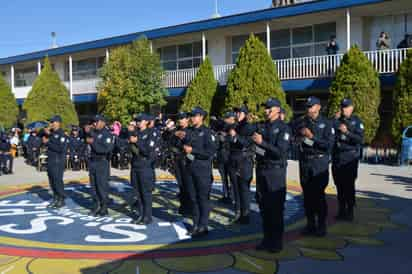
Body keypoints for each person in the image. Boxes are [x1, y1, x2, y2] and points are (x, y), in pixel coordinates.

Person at [253, 98, 290, 253]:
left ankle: (277, 241)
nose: (266, 111)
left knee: (275, 209)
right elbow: (261, 150)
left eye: (269, 108)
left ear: (277, 109)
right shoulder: (262, 127)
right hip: (262, 170)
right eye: (265, 108)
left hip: (275, 172)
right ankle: (267, 239)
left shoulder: (283, 128)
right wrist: (257, 148)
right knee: (264, 208)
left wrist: (262, 143)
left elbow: (280, 152)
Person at [293, 96, 334, 237]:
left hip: (319, 163)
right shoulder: (302, 122)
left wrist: (312, 137)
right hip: (305, 162)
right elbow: (295, 139)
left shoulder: (326, 124)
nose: (308, 109)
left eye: (311, 106)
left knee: (319, 196)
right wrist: (301, 139)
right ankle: (310, 224)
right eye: (307, 106)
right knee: (308, 196)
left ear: (318, 107)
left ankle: (322, 225)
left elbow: (328, 145)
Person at [184, 107, 217, 237]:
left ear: (202, 117)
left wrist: (193, 151)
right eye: (191, 115)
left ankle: (203, 226)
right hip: (190, 169)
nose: (192, 118)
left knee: (203, 199)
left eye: (195, 115)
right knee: (193, 198)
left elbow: (210, 152)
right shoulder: (189, 131)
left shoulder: (208, 132)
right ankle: (196, 224)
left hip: (202, 170)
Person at [332, 99, 364, 221]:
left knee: (349, 185)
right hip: (338, 157)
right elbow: (329, 131)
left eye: (346, 107)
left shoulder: (356, 122)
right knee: (339, 185)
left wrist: (347, 132)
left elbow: (360, 140)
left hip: (350, 157)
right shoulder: (337, 120)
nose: (343, 109)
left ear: (352, 107)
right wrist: (335, 119)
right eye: (342, 107)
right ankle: (341, 210)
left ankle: (350, 211)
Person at [228, 106, 256, 224]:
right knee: (235, 188)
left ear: (245, 114)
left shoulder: (248, 127)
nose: (237, 114)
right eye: (236, 112)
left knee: (244, 189)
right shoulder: (235, 126)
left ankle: (246, 215)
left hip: (244, 160)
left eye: (240, 112)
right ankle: (238, 212)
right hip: (234, 159)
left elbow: (247, 143)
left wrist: (236, 136)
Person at [129, 114, 156, 224]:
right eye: (137, 121)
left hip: (145, 166)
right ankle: (141, 214)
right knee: (138, 192)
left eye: (140, 120)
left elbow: (148, 151)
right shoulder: (136, 133)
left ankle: (147, 216)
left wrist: (137, 142)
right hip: (135, 165)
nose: (138, 122)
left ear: (146, 121)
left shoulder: (151, 133)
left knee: (146, 193)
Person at [87, 115, 114, 217]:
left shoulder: (107, 135)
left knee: (101, 186)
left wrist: (93, 142)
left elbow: (105, 150)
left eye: (96, 122)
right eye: (93, 122)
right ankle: (96, 206)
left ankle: (104, 207)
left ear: (103, 122)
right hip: (93, 162)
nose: (94, 124)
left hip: (102, 162)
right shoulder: (94, 133)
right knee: (93, 187)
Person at [43, 115, 68, 209]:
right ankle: (55, 198)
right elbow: (42, 135)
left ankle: (61, 199)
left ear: (58, 123)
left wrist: (48, 142)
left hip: (58, 161)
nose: (51, 124)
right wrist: (47, 133)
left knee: (57, 181)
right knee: (52, 181)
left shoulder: (62, 134)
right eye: (51, 122)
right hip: (51, 160)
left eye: (53, 122)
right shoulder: (51, 134)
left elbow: (60, 149)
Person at [172, 112, 193, 215]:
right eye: (179, 118)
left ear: (187, 119)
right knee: (180, 184)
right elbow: (169, 142)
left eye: (182, 118)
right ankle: (183, 206)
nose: (180, 120)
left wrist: (183, 137)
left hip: (186, 160)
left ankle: (189, 207)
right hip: (177, 159)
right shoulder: (176, 130)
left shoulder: (190, 130)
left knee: (188, 185)